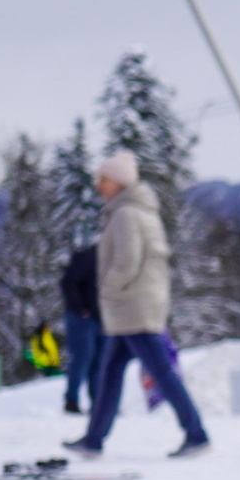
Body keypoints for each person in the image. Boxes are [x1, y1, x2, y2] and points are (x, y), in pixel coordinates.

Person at [65, 154, 209, 458]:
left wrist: (108, 289)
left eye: (103, 179)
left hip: (133, 306)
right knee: (110, 374)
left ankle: (196, 434)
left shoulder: (125, 214)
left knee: (161, 372)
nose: (99, 186)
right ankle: (93, 440)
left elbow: (127, 260)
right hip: (134, 306)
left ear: (118, 181)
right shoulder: (140, 211)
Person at [59, 240, 103, 414]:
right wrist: (80, 308)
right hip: (82, 318)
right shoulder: (88, 256)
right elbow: (68, 282)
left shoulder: (114, 260)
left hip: (102, 319)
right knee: (82, 358)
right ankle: (71, 401)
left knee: (99, 362)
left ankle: (98, 402)